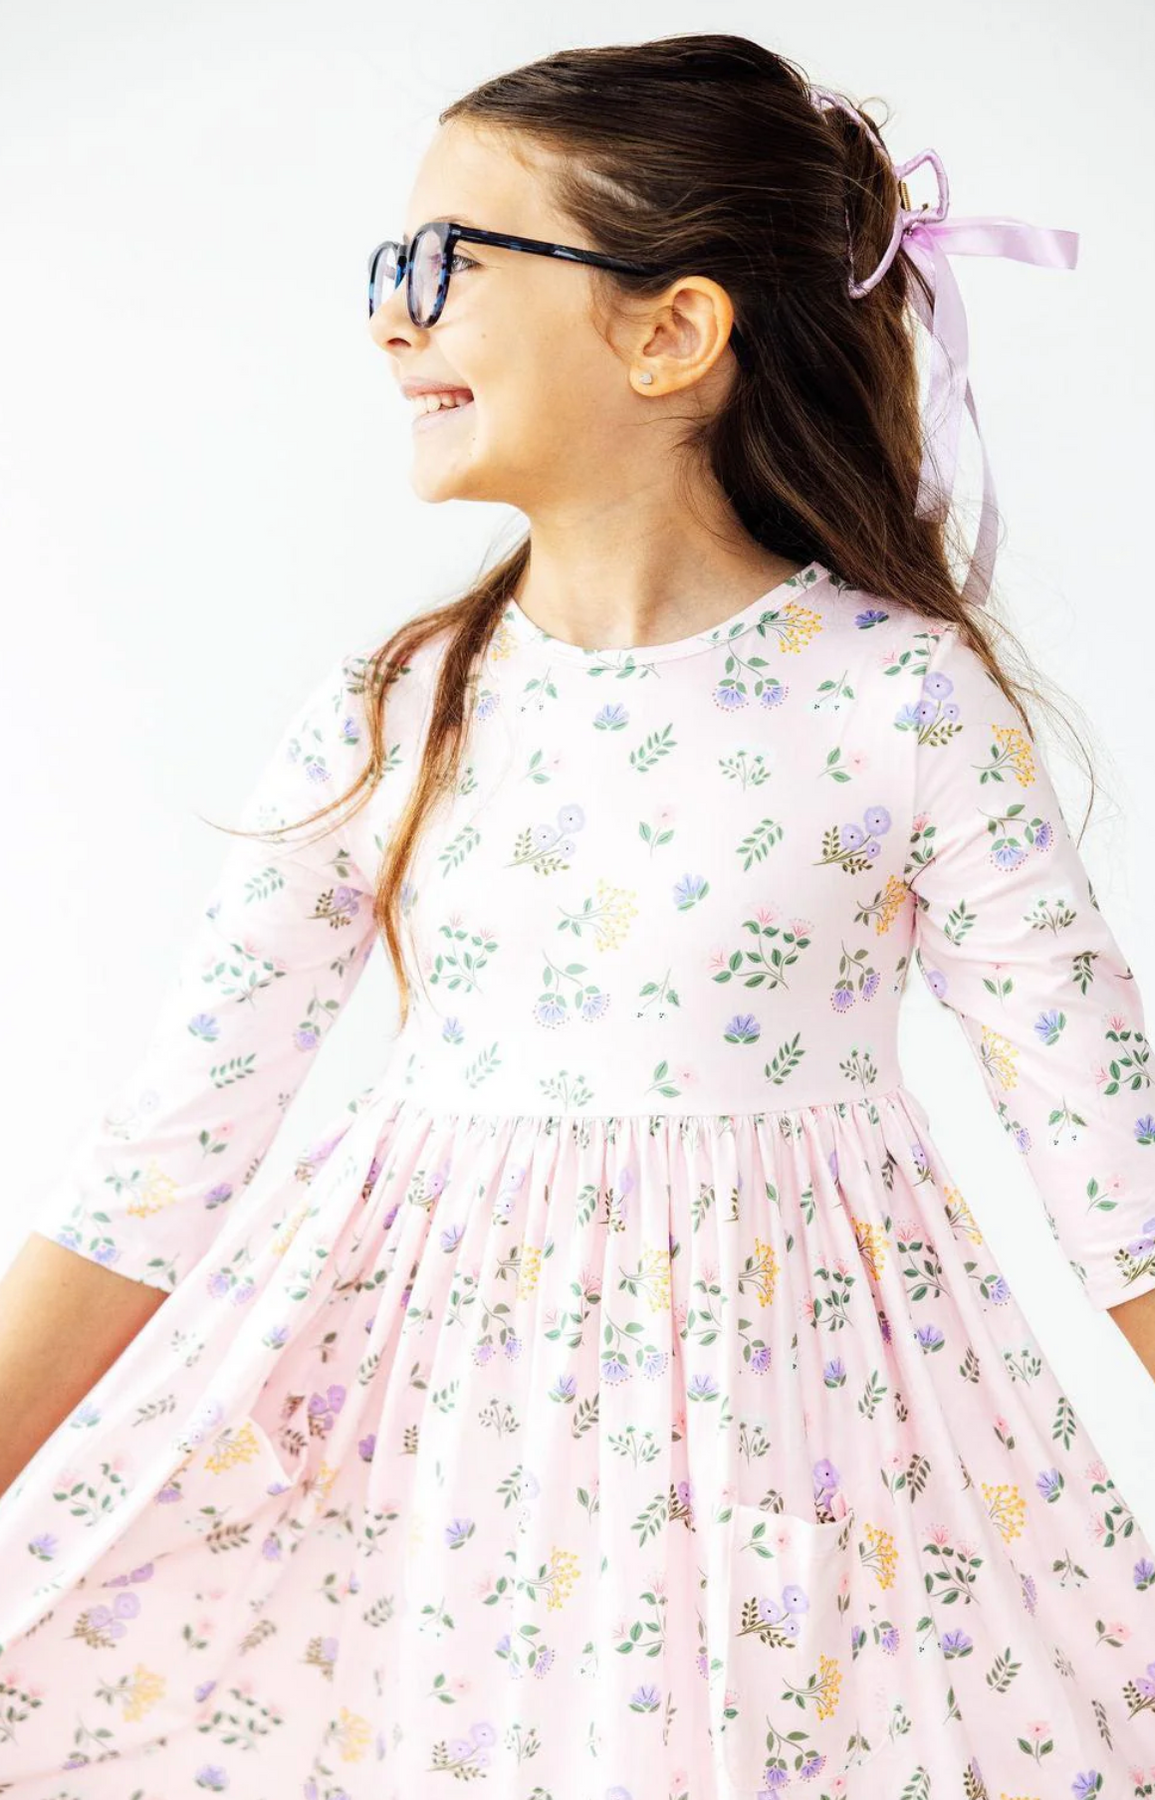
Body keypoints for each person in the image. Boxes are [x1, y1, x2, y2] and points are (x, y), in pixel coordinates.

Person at [1, 31, 1153, 1798]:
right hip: (451, 1478)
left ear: (668, 330)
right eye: (387, 266)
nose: (390, 320)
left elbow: (1117, 1172)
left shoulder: (899, 704)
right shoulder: (397, 712)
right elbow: (165, 1156)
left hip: (803, 1471)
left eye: (444, 264)